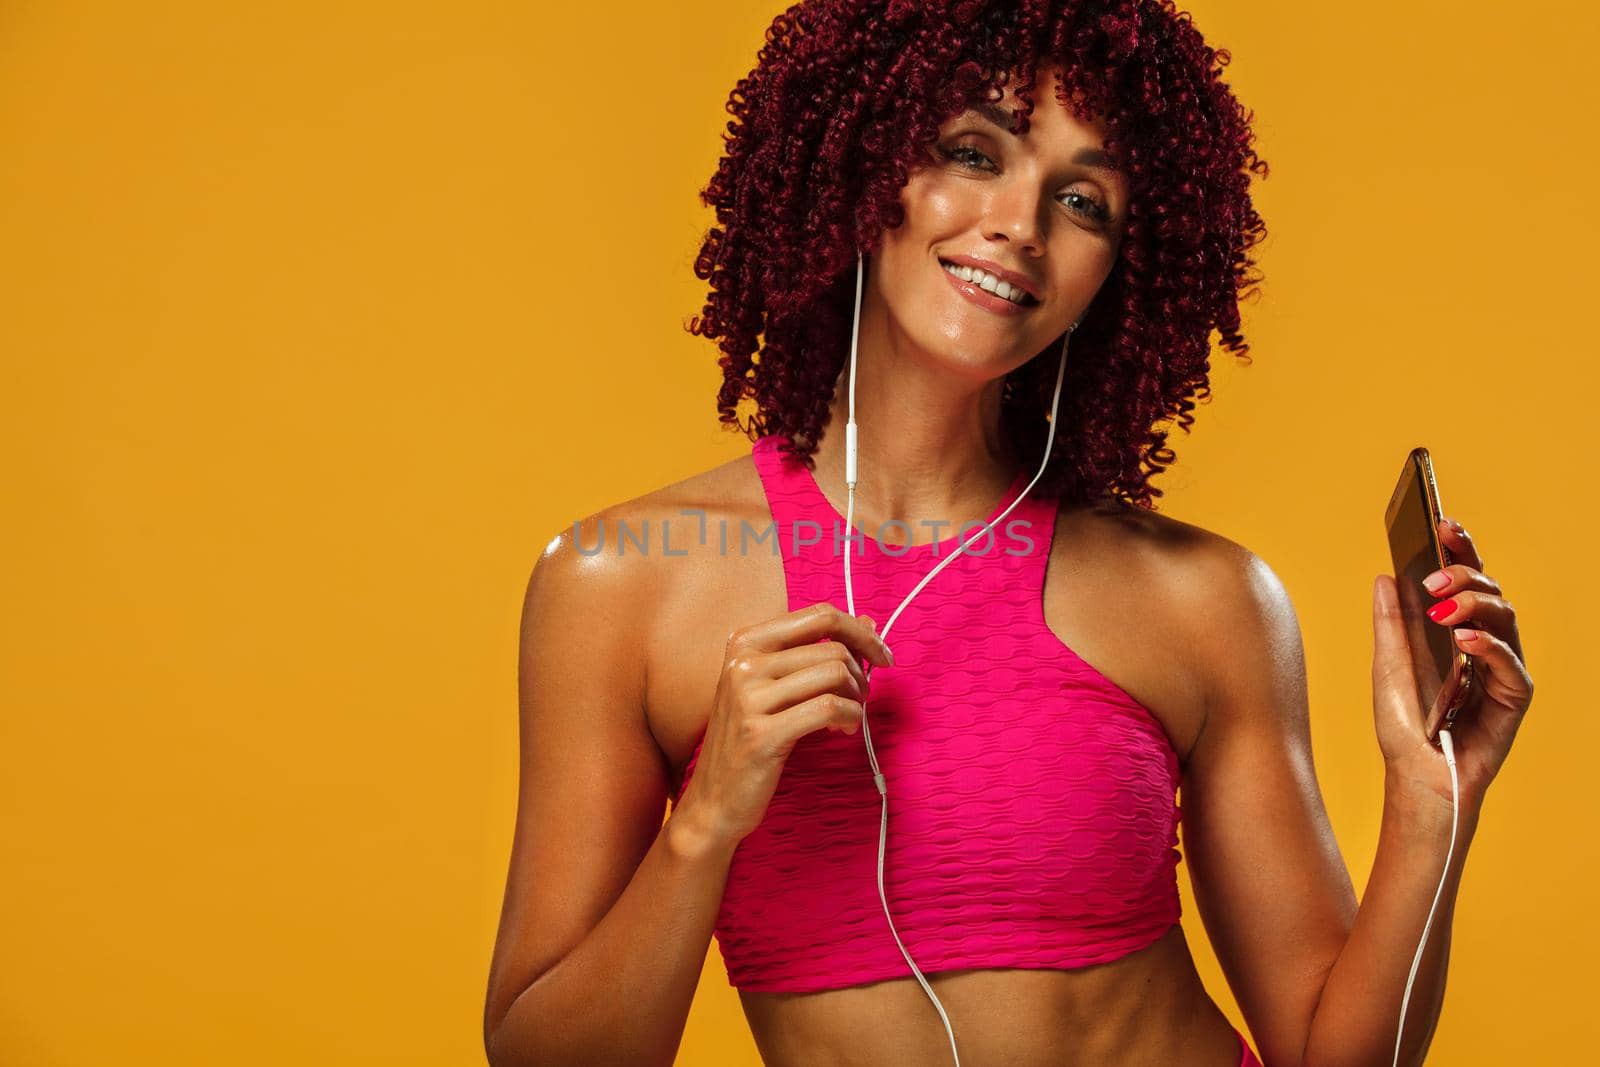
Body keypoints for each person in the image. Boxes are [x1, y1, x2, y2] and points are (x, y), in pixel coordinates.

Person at [483, 3, 1535, 1065]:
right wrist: (704, 820)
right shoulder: (618, 583)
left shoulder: (1202, 598)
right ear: (863, 169)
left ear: (1114, 276)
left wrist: (1430, 809)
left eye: (1081, 200)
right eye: (970, 152)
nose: (1019, 225)